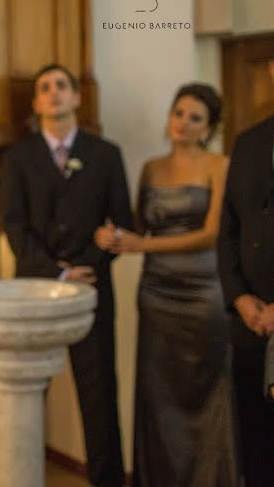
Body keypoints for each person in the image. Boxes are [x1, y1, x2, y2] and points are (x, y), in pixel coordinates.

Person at [94, 84, 237, 487]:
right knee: (158, 395)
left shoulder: (218, 165)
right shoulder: (152, 168)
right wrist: (113, 236)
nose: (183, 123)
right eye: (179, 113)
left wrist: (144, 244)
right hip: (156, 293)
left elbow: (213, 234)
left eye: (195, 118)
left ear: (208, 128)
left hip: (203, 291)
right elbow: (139, 228)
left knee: (208, 388)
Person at [0, 63, 131, 487]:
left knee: (98, 396)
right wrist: (56, 272)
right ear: (37, 103)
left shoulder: (107, 154)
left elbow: (120, 223)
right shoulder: (18, 157)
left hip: (92, 289)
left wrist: (86, 266)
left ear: (76, 97)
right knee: (25, 393)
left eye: (62, 86)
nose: (54, 92)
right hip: (35, 288)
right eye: (45, 88)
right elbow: (14, 226)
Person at [217, 113, 274, 486]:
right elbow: (229, 229)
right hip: (251, 319)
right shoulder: (249, 140)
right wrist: (238, 295)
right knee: (256, 443)